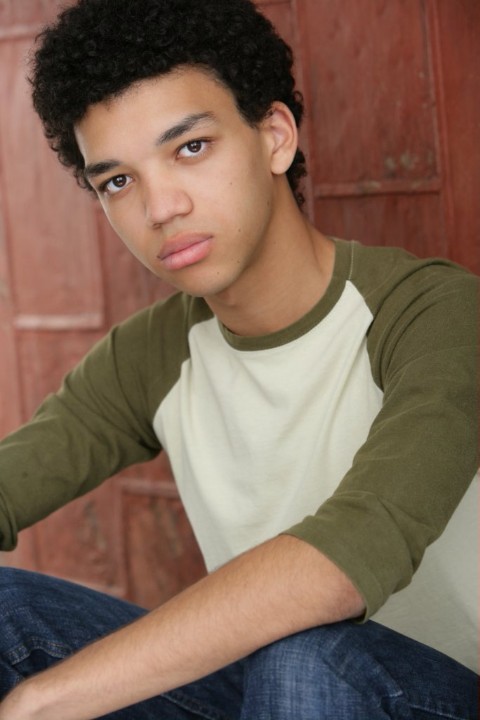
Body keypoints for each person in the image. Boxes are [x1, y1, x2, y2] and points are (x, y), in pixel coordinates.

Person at [0, 0, 477, 717]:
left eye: (190, 147)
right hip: (271, 694)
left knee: (308, 657)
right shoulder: (154, 352)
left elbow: (349, 557)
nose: (160, 207)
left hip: (433, 695)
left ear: (274, 137)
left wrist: (39, 702)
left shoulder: (433, 313)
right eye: (118, 181)